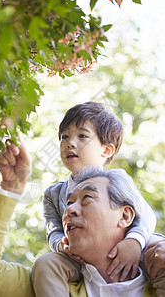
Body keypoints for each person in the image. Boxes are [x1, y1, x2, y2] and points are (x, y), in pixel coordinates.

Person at [0, 141, 160, 296]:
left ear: (125, 215)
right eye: (69, 202)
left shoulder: (158, 274)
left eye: (87, 198)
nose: (70, 210)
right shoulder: (48, 285)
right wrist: (10, 187)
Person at [32, 101, 156, 296]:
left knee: (158, 248)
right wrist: (61, 245)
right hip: (77, 259)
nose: (69, 142)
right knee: (47, 263)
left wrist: (134, 242)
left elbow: (145, 216)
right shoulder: (53, 194)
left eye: (82, 136)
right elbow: (53, 230)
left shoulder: (117, 180)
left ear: (106, 150)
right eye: (64, 136)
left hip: (126, 250)